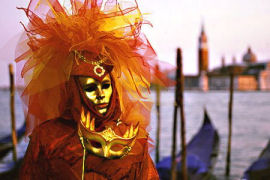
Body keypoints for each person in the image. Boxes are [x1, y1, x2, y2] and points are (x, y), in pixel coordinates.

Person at [16, 0, 168, 179]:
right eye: (90, 88)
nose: (100, 95)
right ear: (75, 90)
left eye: (105, 86)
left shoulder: (133, 140)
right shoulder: (48, 137)